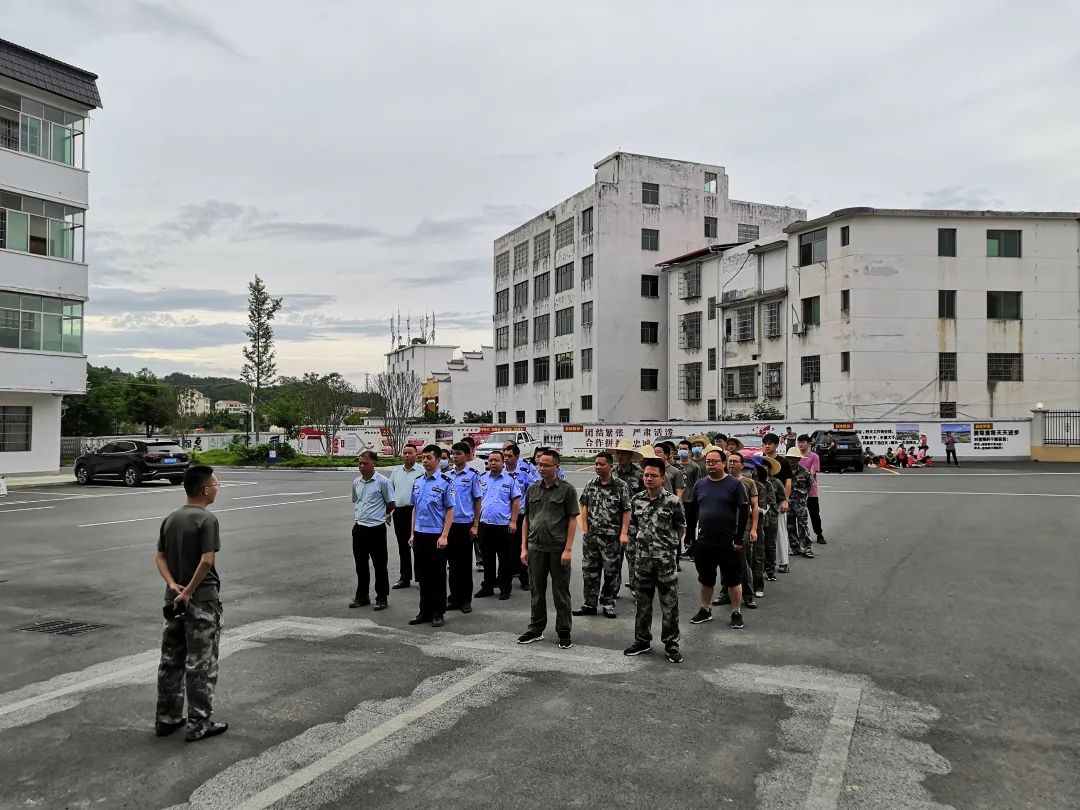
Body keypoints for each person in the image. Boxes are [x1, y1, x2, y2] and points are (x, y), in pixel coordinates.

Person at [155, 464, 228, 742]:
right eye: (216, 485)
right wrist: (189, 591)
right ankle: (199, 723)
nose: (216, 489)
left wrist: (173, 586)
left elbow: (159, 557)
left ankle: (167, 718)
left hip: (172, 601)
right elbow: (207, 560)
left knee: (171, 659)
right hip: (201, 602)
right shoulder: (207, 520)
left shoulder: (171, 518)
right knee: (201, 663)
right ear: (205, 489)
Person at [624, 458, 685, 663]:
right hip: (642, 560)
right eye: (646, 475)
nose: (649, 479)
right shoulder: (637, 500)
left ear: (663, 477)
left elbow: (680, 527)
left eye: (653, 475)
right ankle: (642, 641)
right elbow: (633, 527)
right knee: (643, 603)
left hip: (665, 561)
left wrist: (669, 547)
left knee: (670, 604)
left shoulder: (673, 502)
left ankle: (671, 643)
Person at [517, 449, 579, 649]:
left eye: (546, 465)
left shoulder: (567, 490)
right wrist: (523, 547)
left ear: (556, 467)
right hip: (536, 547)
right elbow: (526, 519)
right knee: (537, 591)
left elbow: (572, 520)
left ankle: (563, 630)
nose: (541, 468)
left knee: (560, 592)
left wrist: (568, 549)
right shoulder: (532, 489)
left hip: (557, 548)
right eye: (539, 465)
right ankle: (536, 628)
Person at [688, 448, 750, 630]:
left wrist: (739, 538)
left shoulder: (734, 484)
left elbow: (744, 511)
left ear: (724, 463)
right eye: (708, 461)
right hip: (705, 541)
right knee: (706, 578)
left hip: (728, 542)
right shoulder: (700, 484)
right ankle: (705, 610)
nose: (711, 464)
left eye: (715, 461)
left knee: (732, 579)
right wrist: (691, 536)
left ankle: (736, 612)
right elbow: (692, 512)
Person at [574, 451, 631, 619]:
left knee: (611, 571)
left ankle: (608, 603)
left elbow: (626, 510)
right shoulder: (591, 484)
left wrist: (623, 533)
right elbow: (584, 505)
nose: (598, 467)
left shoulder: (620, 486)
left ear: (610, 466)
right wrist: (585, 529)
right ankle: (589, 603)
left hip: (612, 537)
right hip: (592, 536)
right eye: (596, 464)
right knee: (589, 570)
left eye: (601, 464)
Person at [409, 445, 455, 628]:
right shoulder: (418, 481)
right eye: (423, 458)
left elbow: (450, 509)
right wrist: (412, 533)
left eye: (429, 458)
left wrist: (445, 535)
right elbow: (415, 508)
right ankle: (424, 611)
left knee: (437, 575)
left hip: (436, 535)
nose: (425, 461)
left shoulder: (445, 482)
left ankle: (438, 612)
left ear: (438, 460)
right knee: (422, 575)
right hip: (420, 534)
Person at [349, 450, 395, 611]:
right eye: (360, 463)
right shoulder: (356, 482)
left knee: (379, 565)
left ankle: (382, 597)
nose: (362, 466)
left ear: (374, 463)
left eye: (365, 463)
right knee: (360, 565)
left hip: (376, 529)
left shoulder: (383, 482)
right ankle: (362, 596)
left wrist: (381, 515)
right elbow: (356, 501)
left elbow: (391, 503)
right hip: (359, 528)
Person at [474, 449, 521, 600]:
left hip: (503, 525)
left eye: (496, 460)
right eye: (490, 460)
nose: (493, 463)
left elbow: (516, 501)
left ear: (503, 463)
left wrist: (513, 521)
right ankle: (487, 586)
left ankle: (505, 588)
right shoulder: (482, 479)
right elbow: (476, 501)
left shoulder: (510, 480)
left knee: (504, 558)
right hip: (484, 525)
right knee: (487, 558)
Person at [446, 442, 482, 614]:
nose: (454, 456)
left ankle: (466, 600)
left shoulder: (473, 475)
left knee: (464, 565)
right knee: (452, 565)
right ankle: (454, 597)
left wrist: (476, 524)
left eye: (458, 453)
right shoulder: (447, 476)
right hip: (449, 525)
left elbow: (477, 500)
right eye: (453, 453)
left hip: (465, 525)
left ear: (467, 456)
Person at [720, 452, 759, 610]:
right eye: (730, 461)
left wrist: (754, 528)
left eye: (736, 462)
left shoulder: (749, 483)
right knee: (724, 561)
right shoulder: (721, 481)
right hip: (725, 527)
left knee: (743, 562)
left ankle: (748, 595)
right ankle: (725, 592)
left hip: (742, 527)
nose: (732, 464)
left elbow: (754, 507)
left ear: (742, 465)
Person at [612, 440, 646, 596]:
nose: (621, 457)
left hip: (634, 523)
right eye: (619, 453)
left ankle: (635, 588)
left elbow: (646, 498)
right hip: (613, 522)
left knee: (634, 558)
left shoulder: (640, 474)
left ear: (631, 455)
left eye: (625, 453)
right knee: (614, 559)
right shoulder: (612, 472)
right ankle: (612, 590)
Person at [389, 444, 424, 589]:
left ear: (416, 455)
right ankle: (405, 577)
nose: (407, 455)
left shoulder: (421, 471)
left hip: (415, 512)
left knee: (418, 546)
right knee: (403, 546)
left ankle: (421, 577)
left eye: (410, 453)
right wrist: (389, 512)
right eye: (405, 453)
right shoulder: (396, 472)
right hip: (399, 512)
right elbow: (390, 493)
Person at [503, 440, 534, 591]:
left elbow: (532, 491)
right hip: (503, 518)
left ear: (517, 457)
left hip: (520, 517)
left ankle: (524, 578)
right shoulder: (499, 473)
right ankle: (504, 580)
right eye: (505, 455)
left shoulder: (524, 474)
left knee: (522, 547)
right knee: (505, 551)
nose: (506, 458)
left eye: (509, 456)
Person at [759, 433, 792, 577]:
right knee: (762, 535)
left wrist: (785, 500)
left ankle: (783, 562)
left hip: (777, 502)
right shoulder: (758, 461)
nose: (767, 445)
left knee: (780, 533)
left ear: (777, 445)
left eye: (770, 443)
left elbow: (788, 482)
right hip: (761, 502)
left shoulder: (783, 462)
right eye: (765, 443)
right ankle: (764, 564)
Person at [462, 435, 487, 570]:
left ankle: (481, 560)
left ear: (472, 449)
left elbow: (480, 482)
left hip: (475, 501)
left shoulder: (479, 463)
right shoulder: (458, 463)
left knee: (476, 533)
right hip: (462, 503)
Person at [786, 445, 814, 558]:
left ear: (799, 459)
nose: (792, 460)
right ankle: (795, 547)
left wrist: (802, 495)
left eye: (794, 458)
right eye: (790, 458)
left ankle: (807, 548)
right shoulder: (784, 473)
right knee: (790, 526)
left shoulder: (805, 472)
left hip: (800, 503)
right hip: (788, 503)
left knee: (803, 526)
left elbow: (810, 485)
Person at [797, 434, 825, 544]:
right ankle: (800, 536)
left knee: (814, 513)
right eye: (799, 442)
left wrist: (802, 480)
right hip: (796, 492)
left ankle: (819, 534)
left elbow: (812, 473)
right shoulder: (795, 456)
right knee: (798, 515)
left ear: (809, 444)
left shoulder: (814, 456)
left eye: (803, 442)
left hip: (810, 491)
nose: (800, 444)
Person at [678, 440, 701, 560]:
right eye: (680, 448)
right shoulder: (676, 466)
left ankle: (691, 549)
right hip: (678, 500)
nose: (682, 451)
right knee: (678, 525)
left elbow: (697, 484)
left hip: (691, 500)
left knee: (691, 526)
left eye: (685, 449)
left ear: (689, 451)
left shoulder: (695, 467)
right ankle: (677, 551)